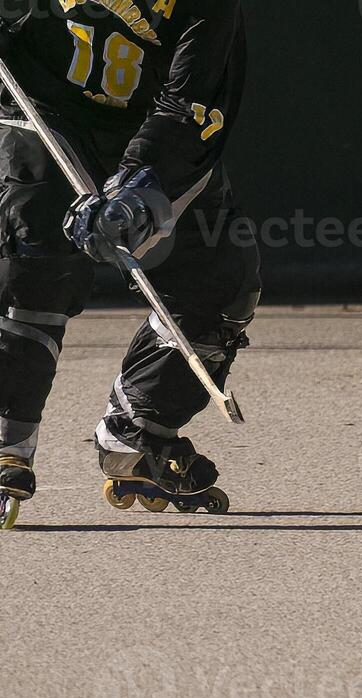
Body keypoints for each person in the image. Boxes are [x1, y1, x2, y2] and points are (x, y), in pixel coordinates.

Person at [0, 0, 259, 525]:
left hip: (152, 127)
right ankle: (6, 440)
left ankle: (139, 430)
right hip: (39, 104)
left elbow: (191, 97)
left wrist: (139, 179)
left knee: (220, 283)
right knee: (36, 260)